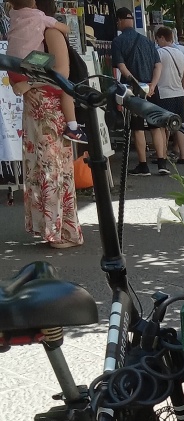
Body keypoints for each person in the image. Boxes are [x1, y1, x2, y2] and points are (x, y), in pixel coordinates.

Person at [12, 3, 82, 246]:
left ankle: (63, 230)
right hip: (38, 109)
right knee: (41, 170)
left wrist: (28, 85)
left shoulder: (49, 32)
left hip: (49, 109)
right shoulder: (35, 29)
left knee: (52, 170)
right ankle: (53, 228)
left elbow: (62, 72)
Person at [7, 0, 83, 141]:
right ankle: (73, 127)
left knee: (35, 155)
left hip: (16, 73)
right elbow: (62, 74)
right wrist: (29, 84)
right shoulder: (48, 26)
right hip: (47, 113)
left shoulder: (15, 18)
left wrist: (23, 86)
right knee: (68, 90)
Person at [111, 7, 167, 176]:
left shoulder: (118, 42)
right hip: (151, 90)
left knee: (138, 128)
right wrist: (152, 85)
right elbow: (158, 65)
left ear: (120, 21)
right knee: (156, 126)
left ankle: (143, 165)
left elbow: (122, 67)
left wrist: (136, 85)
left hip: (133, 91)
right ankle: (162, 163)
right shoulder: (148, 41)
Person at [154, 26, 184, 168]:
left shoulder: (159, 53)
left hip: (163, 93)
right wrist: (181, 88)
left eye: (157, 39)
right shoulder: (180, 53)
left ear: (162, 38)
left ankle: (163, 155)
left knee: (162, 127)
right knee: (179, 125)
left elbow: (155, 71)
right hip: (179, 93)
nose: (157, 42)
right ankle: (183, 156)